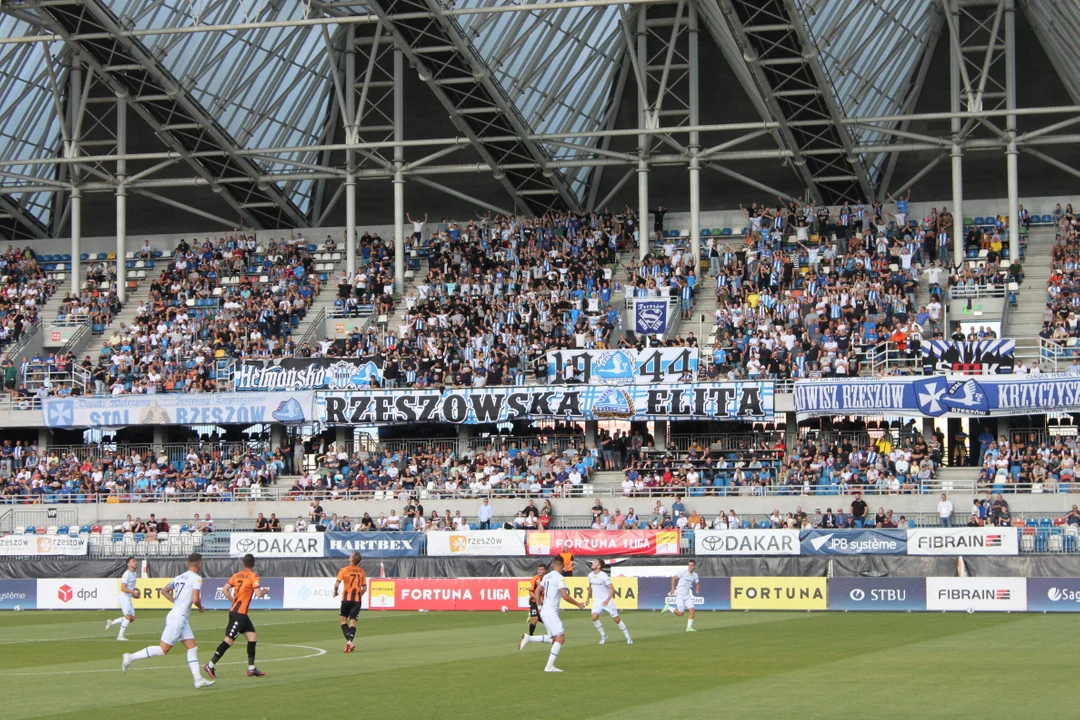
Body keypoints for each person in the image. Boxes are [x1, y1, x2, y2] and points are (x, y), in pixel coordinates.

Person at [121, 552, 214, 689]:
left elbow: (164, 590)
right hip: (178, 618)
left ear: (188, 564)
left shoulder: (179, 577)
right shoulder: (197, 579)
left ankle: (198, 679)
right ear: (200, 564)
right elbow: (195, 599)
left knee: (192, 647)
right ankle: (130, 657)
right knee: (163, 649)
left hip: (179, 617)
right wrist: (200, 607)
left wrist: (175, 602)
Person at [203, 553, 268, 679]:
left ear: (243, 563)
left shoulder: (236, 575)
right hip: (239, 614)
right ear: (254, 564)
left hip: (240, 613)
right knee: (229, 640)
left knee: (252, 636)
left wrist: (233, 601)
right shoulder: (253, 576)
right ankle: (210, 665)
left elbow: (224, 589)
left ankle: (251, 668)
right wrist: (265, 591)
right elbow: (259, 594)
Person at [518, 556, 584, 672]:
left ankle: (529, 638)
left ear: (553, 565)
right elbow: (565, 595)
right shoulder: (560, 578)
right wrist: (578, 604)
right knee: (560, 638)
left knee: (553, 638)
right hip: (550, 612)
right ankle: (549, 666)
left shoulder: (547, 576)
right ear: (562, 566)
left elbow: (537, 591)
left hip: (544, 611)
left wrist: (539, 607)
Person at [586, 559, 632, 645]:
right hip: (597, 601)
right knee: (594, 617)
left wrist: (607, 600)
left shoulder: (604, 576)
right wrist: (588, 598)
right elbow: (590, 586)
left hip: (607, 600)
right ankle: (603, 635)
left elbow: (612, 589)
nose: (592, 563)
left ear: (599, 566)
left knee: (616, 619)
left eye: (595, 562)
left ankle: (628, 637)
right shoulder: (590, 575)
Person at [333, 552, 367, 653]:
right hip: (356, 600)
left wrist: (335, 593)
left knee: (343, 620)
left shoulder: (344, 570)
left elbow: (336, 585)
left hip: (346, 599)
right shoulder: (361, 571)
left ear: (352, 559)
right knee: (353, 622)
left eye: (351, 555)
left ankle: (349, 641)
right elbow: (364, 588)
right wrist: (358, 595)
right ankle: (349, 641)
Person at [662, 559, 700, 632]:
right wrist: (673, 589)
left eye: (691, 565)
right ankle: (668, 607)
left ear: (694, 566)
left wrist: (697, 589)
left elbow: (697, 583)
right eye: (689, 565)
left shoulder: (695, 575)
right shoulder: (684, 572)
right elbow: (673, 578)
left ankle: (689, 628)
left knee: (692, 610)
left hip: (687, 595)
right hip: (680, 594)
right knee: (680, 613)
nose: (690, 566)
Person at [105, 556, 138, 641]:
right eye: (133, 561)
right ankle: (120, 636)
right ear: (128, 564)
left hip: (128, 597)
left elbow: (130, 588)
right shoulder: (126, 574)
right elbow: (123, 588)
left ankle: (112, 622)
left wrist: (134, 594)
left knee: (132, 618)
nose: (135, 563)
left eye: (135, 561)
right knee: (128, 616)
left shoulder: (134, 573)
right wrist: (132, 592)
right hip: (124, 597)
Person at [525, 563, 546, 637]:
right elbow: (530, 592)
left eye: (541, 569)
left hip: (543, 603)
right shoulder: (534, 579)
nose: (539, 571)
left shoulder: (547, 579)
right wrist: (537, 598)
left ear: (545, 571)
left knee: (546, 620)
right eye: (538, 569)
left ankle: (553, 634)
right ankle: (530, 636)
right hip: (534, 602)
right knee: (535, 618)